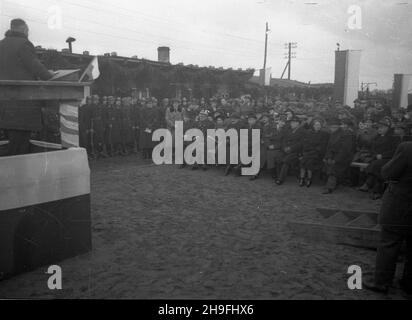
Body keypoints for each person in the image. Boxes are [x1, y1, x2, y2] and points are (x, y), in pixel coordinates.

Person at [363, 142, 412, 295]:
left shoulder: (407, 148)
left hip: (401, 206)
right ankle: (408, 284)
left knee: (389, 244)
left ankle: (381, 282)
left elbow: (388, 172)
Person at [0, 18, 54, 155]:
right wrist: (50, 75)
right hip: (22, 102)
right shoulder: (24, 44)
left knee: (11, 141)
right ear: (24, 29)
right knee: (21, 144)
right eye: (27, 29)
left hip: (4, 103)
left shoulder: (1, 44)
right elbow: (36, 67)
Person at [359, 118, 398, 199]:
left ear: (388, 128)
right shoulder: (377, 137)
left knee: (377, 165)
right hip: (377, 158)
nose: (380, 129)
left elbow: (395, 150)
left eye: (382, 128)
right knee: (377, 165)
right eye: (378, 128)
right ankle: (376, 190)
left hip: (389, 158)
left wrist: (382, 155)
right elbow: (372, 149)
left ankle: (370, 185)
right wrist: (376, 155)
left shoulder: (394, 138)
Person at [322, 118, 354, 194]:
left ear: (338, 127)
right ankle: (334, 183)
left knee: (334, 167)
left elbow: (344, 150)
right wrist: (328, 157)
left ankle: (329, 187)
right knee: (327, 163)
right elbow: (329, 148)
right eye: (331, 127)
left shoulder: (346, 135)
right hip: (334, 156)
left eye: (335, 127)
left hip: (344, 157)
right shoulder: (332, 135)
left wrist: (336, 159)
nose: (332, 129)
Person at [275, 116, 305, 185]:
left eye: (295, 123)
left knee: (286, 160)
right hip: (285, 150)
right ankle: (278, 176)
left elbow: (301, 144)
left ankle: (280, 179)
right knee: (278, 158)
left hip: (295, 152)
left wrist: (291, 148)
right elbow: (283, 140)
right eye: (292, 123)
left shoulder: (302, 131)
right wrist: (284, 148)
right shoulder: (288, 130)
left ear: (298, 123)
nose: (293, 124)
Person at [299, 119, 329, 187]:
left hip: (317, 153)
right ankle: (302, 179)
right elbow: (305, 143)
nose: (317, 126)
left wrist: (313, 149)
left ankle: (309, 179)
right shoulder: (309, 133)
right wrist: (307, 150)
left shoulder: (324, 134)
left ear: (321, 126)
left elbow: (323, 146)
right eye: (316, 125)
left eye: (319, 125)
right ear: (313, 125)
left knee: (309, 162)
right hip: (308, 152)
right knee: (302, 162)